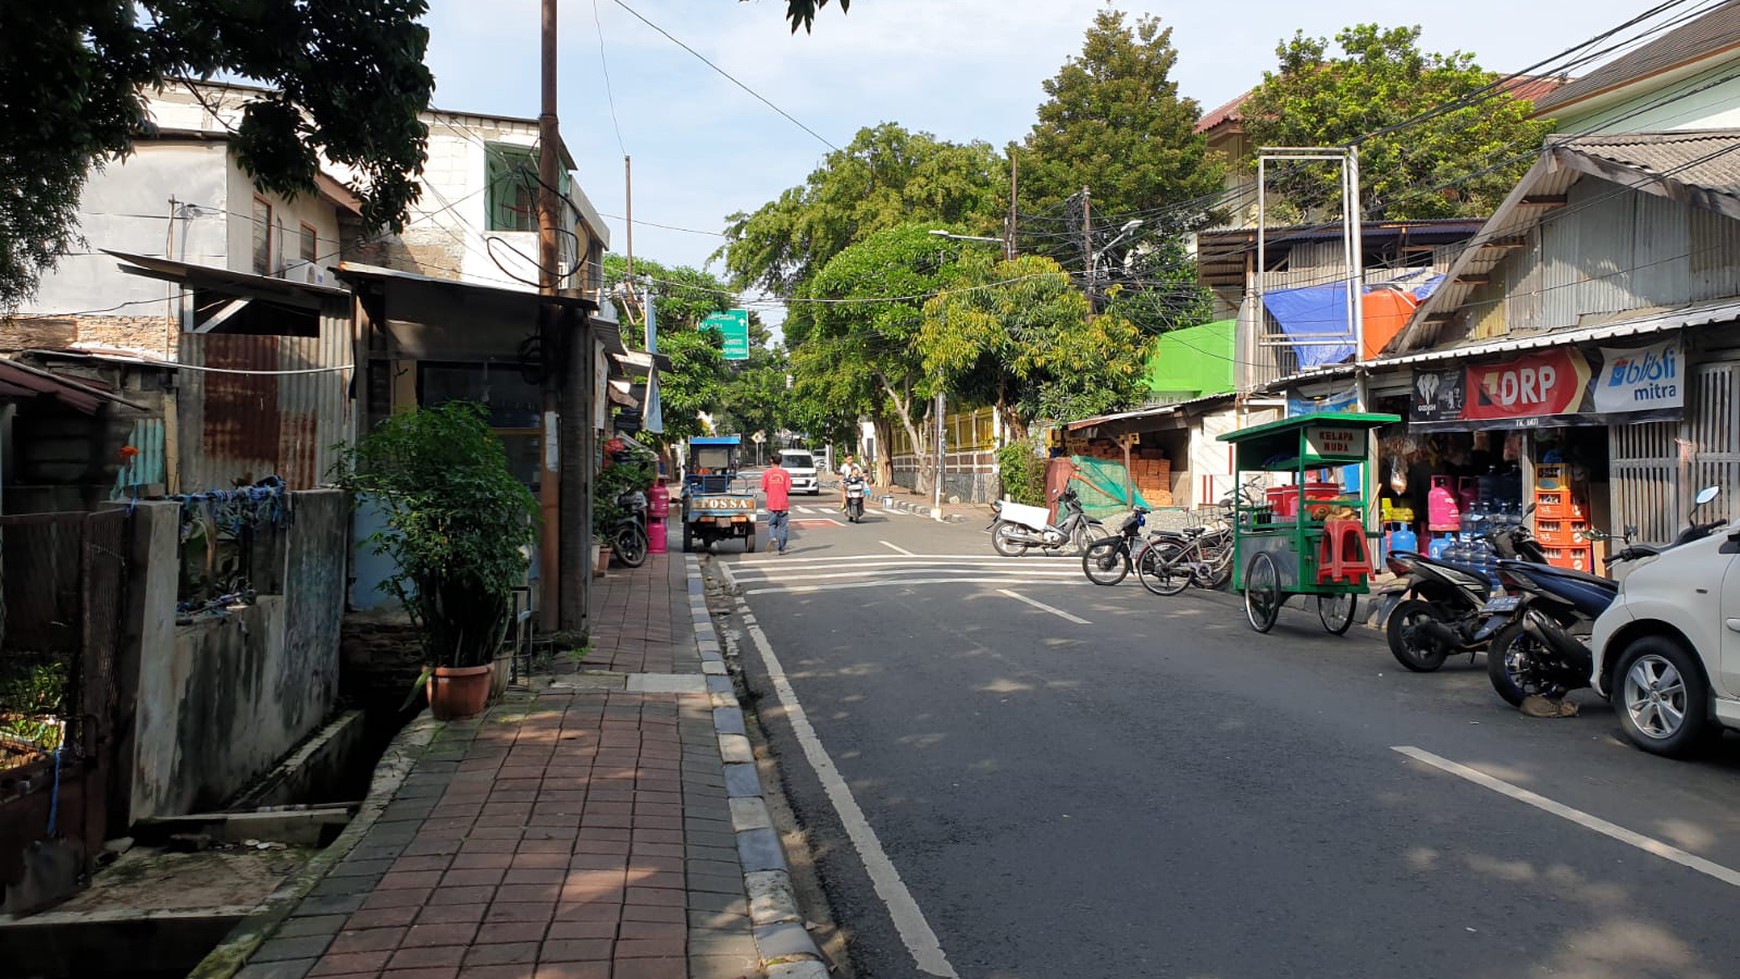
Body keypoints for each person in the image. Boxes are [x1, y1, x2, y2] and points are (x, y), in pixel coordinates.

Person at [760, 454, 793, 554]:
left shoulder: (766, 473)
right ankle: (781, 549)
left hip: (771, 504)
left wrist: (771, 490)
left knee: (772, 525)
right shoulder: (785, 473)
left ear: (771, 461)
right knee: (783, 528)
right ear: (781, 461)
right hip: (783, 504)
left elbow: (763, 488)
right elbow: (788, 489)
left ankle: (773, 537)